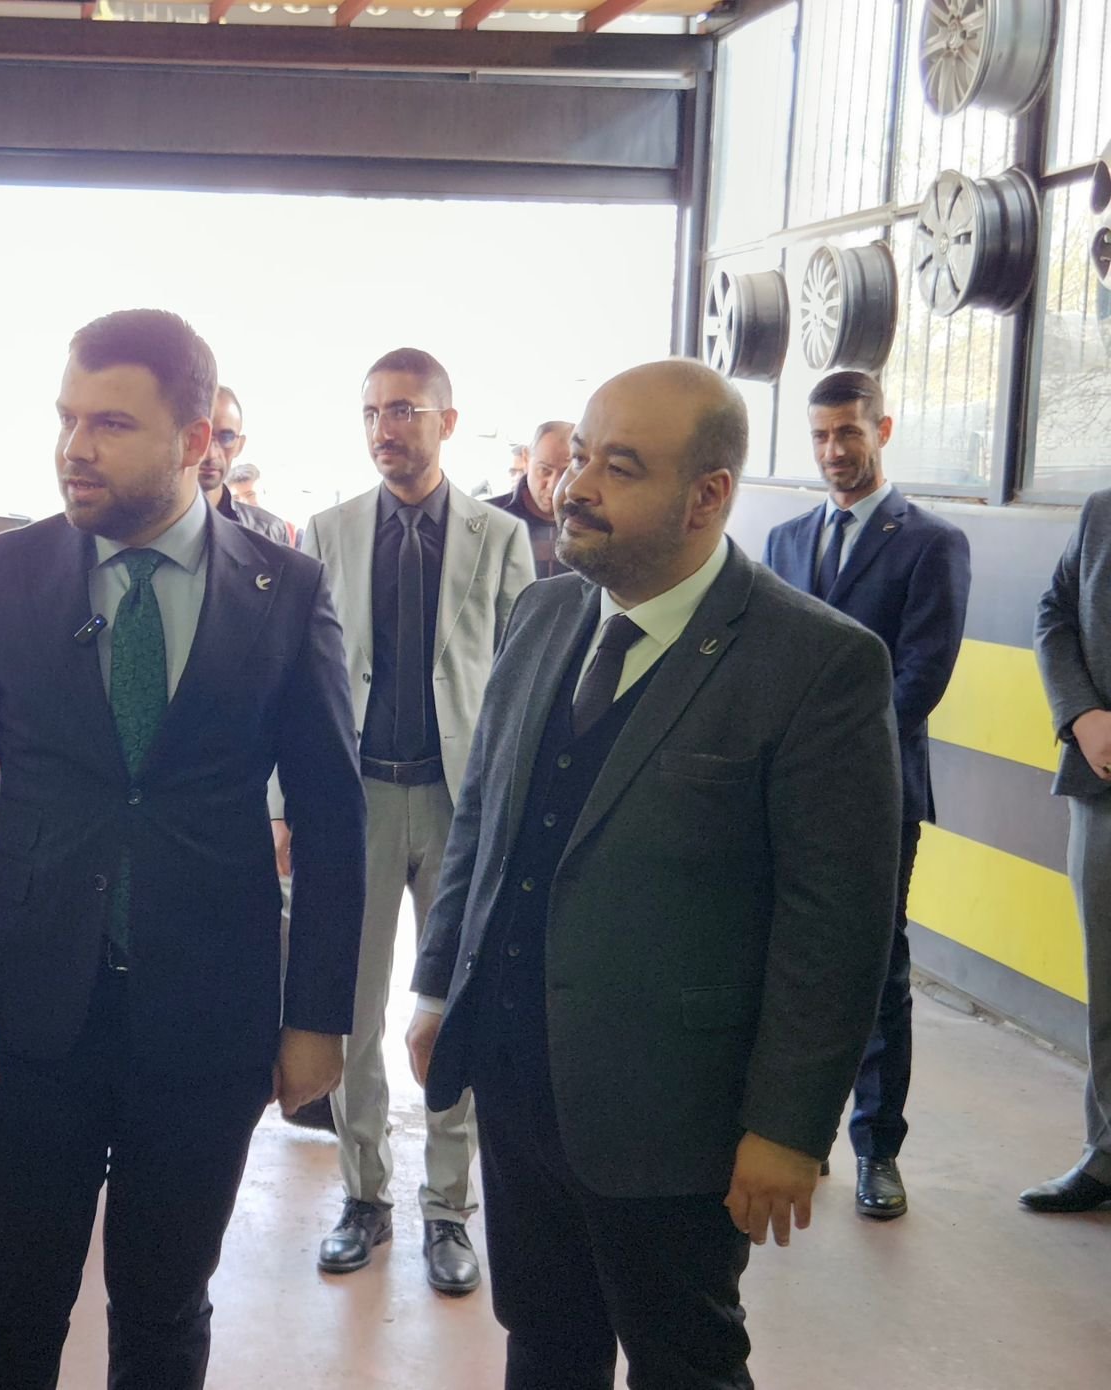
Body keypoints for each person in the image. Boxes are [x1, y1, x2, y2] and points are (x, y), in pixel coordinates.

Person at [406, 359, 899, 1388]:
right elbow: (484, 819)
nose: (574, 486)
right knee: (544, 1343)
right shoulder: (543, 615)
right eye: (579, 456)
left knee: (684, 1359)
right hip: (517, 1080)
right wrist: (439, 984)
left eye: (617, 468)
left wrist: (788, 1125)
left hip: (676, 1117)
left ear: (706, 495)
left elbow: (835, 923)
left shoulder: (815, 664)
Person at [0, 309, 367, 1389]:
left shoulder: (286, 592)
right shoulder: (4, 575)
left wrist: (316, 1016)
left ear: (196, 440)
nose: (75, 447)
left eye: (110, 424)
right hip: (23, 1017)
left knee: (164, 1307)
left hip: (207, 1020)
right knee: (11, 1300)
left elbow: (332, 815)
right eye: (67, 419)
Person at [287, 347, 534, 1292]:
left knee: (453, 1009)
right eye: (371, 412)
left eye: (402, 410)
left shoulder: (498, 538)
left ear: (446, 421)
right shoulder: (328, 532)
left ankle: (447, 1208)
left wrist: (507, 813)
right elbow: (301, 685)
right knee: (350, 1008)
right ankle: (364, 1197)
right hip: (355, 803)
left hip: (457, 803)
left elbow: (518, 683)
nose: (384, 429)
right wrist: (285, 805)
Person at [762, 370, 970, 1221]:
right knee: (781, 962)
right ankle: (793, 1132)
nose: (833, 450)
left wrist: (831, 757)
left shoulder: (931, 543)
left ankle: (877, 1149)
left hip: (879, 796)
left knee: (876, 969)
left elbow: (923, 675)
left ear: (881, 429)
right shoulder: (784, 542)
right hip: (780, 794)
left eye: (848, 432)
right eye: (820, 436)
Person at [1026, 486, 1111, 1214]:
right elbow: (1054, 612)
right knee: (1107, 985)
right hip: (1103, 787)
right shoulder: (1102, 511)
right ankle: (1106, 1154)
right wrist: (1080, 713)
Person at [201, 386, 294, 546]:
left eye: (226, 437)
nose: (211, 453)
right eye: (200, 436)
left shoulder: (269, 530)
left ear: (240, 445)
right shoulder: (156, 526)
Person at [492, 420, 573, 579]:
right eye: (544, 470)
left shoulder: (591, 523)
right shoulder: (489, 517)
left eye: (566, 474)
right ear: (526, 458)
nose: (553, 486)